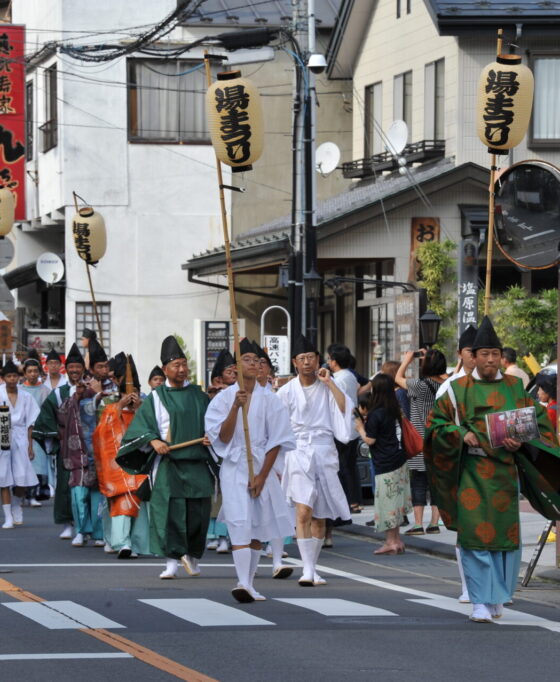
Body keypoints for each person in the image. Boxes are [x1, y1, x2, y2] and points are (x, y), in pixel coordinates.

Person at [424, 316, 560, 623]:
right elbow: (436, 427)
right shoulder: (457, 389)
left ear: (501, 356)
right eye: (483, 354)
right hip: (472, 469)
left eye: (494, 354)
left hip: (504, 472)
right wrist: (460, 434)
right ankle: (479, 601)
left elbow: (537, 422)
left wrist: (521, 442)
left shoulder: (516, 386)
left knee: (505, 539)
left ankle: (498, 596)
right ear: (473, 357)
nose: (489, 359)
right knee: (474, 537)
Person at [205, 338, 295, 603]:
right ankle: (242, 582)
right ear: (235, 366)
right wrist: (235, 407)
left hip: (261, 465)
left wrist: (262, 476)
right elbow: (221, 437)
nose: (253, 364)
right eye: (247, 360)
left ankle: (250, 582)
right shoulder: (223, 399)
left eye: (257, 360)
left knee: (258, 524)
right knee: (239, 520)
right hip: (234, 466)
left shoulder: (271, 400)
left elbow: (277, 441)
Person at [117, 336, 214, 580]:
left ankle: (192, 556)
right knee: (169, 514)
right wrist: (154, 440)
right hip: (169, 465)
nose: (181, 369)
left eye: (184, 364)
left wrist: (211, 438)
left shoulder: (200, 396)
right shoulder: (157, 397)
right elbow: (141, 427)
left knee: (197, 515)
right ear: (165, 369)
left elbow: (214, 426)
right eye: (176, 365)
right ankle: (171, 561)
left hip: (197, 463)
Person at [277, 334, 352, 586]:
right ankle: (307, 570)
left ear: (318, 360)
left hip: (323, 449)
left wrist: (330, 383)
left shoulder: (329, 386)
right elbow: (277, 427)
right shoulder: (286, 391)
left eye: (311, 357)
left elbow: (344, 409)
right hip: (297, 451)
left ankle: (312, 565)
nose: (307, 362)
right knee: (303, 509)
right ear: (295, 363)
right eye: (302, 359)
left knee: (320, 514)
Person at [434, 324, 477, 603]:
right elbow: (437, 428)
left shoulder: (505, 386)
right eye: (474, 352)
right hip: (462, 462)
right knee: (467, 527)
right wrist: (461, 435)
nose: (481, 359)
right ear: (461, 353)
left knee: (496, 528)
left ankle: (496, 587)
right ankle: (468, 585)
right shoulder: (449, 388)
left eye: (488, 353)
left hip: (497, 464)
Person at [93, 354, 149, 559]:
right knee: (121, 501)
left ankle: (133, 542)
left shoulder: (146, 405)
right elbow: (101, 434)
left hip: (141, 462)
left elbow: (156, 430)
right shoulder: (109, 405)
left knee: (138, 501)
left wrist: (140, 410)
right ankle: (121, 542)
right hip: (117, 465)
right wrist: (119, 407)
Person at [32, 343, 86, 539]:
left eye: (78, 367)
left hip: (89, 446)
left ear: (82, 369)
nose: (74, 370)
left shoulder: (91, 389)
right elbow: (45, 417)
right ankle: (68, 524)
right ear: (67, 369)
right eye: (71, 367)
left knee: (90, 488)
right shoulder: (58, 392)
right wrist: (57, 434)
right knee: (65, 486)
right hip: (67, 448)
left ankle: (90, 527)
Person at [355, 373, 412, 554]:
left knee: (387, 503)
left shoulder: (376, 413)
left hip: (385, 463)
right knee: (395, 503)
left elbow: (370, 440)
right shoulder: (395, 409)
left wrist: (359, 428)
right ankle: (397, 540)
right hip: (399, 460)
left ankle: (390, 542)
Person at [396, 348, 447, 535]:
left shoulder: (420, 385)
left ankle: (418, 524)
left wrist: (408, 359)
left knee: (418, 481)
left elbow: (397, 378)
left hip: (420, 441)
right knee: (436, 482)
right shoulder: (447, 385)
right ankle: (434, 523)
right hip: (440, 440)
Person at [0, 360, 40, 529]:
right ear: (3, 378)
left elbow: (30, 422)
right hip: (2, 437)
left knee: (22, 477)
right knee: (4, 478)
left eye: (14, 376)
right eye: (8, 376)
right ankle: (8, 516)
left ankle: (17, 505)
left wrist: (30, 445)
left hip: (21, 436)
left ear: (19, 377)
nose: (12, 379)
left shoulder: (26, 396)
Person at [206, 347, 237, 554]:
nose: (234, 374)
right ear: (218, 379)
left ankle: (229, 535)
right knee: (215, 495)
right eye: (229, 372)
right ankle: (215, 535)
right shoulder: (212, 397)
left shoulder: (243, 394)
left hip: (235, 450)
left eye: (236, 371)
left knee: (231, 496)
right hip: (213, 450)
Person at [326, 343, 362, 514]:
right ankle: (355, 500)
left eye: (329, 358)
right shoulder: (351, 376)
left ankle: (349, 501)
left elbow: (338, 404)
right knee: (350, 466)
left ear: (334, 361)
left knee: (343, 466)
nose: (328, 362)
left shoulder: (338, 379)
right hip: (353, 426)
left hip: (342, 427)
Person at [20, 358, 52, 505]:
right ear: (25, 373)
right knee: (23, 463)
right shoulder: (20, 389)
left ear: (39, 372)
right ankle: (22, 494)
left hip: (39, 431)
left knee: (38, 463)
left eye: (35, 371)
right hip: (21, 430)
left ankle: (34, 494)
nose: (33, 374)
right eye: (29, 371)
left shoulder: (45, 390)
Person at [436, 325, 477, 400]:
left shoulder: (492, 383)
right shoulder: (449, 386)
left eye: (477, 351)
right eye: (469, 351)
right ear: (459, 354)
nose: (473, 355)